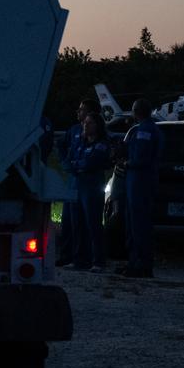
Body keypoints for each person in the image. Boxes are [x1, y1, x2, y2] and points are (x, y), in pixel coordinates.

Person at [118, 99, 165, 278]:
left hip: (140, 181)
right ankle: (134, 262)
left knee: (139, 224)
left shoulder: (144, 131)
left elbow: (141, 157)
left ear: (135, 112)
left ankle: (141, 263)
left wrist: (127, 162)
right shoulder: (152, 129)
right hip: (140, 181)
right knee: (134, 222)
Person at [65, 111, 113, 272]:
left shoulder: (102, 144)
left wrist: (78, 164)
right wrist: (78, 164)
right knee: (76, 223)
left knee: (93, 224)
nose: (85, 125)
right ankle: (79, 260)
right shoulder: (81, 143)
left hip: (92, 186)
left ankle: (98, 261)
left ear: (98, 126)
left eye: (90, 122)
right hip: (78, 185)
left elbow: (91, 162)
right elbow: (70, 160)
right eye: (85, 122)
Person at [55, 98, 97, 267]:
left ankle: (85, 257)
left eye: (82, 110)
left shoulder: (96, 132)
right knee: (68, 221)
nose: (78, 113)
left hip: (86, 181)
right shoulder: (73, 130)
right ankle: (66, 256)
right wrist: (65, 163)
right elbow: (62, 146)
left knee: (84, 221)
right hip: (72, 180)